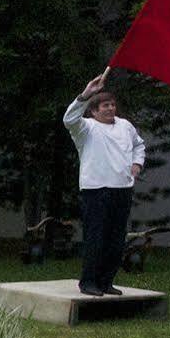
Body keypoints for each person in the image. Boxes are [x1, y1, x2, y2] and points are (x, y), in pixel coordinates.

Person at [63, 68, 146, 297]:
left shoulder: (125, 126)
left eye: (112, 104)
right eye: (104, 106)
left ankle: (106, 281)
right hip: (96, 190)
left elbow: (139, 145)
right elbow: (69, 118)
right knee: (95, 238)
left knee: (116, 240)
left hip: (122, 190)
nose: (110, 108)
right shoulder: (86, 128)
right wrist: (85, 94)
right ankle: (88, 282)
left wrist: (137, 164)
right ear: (93, 111)